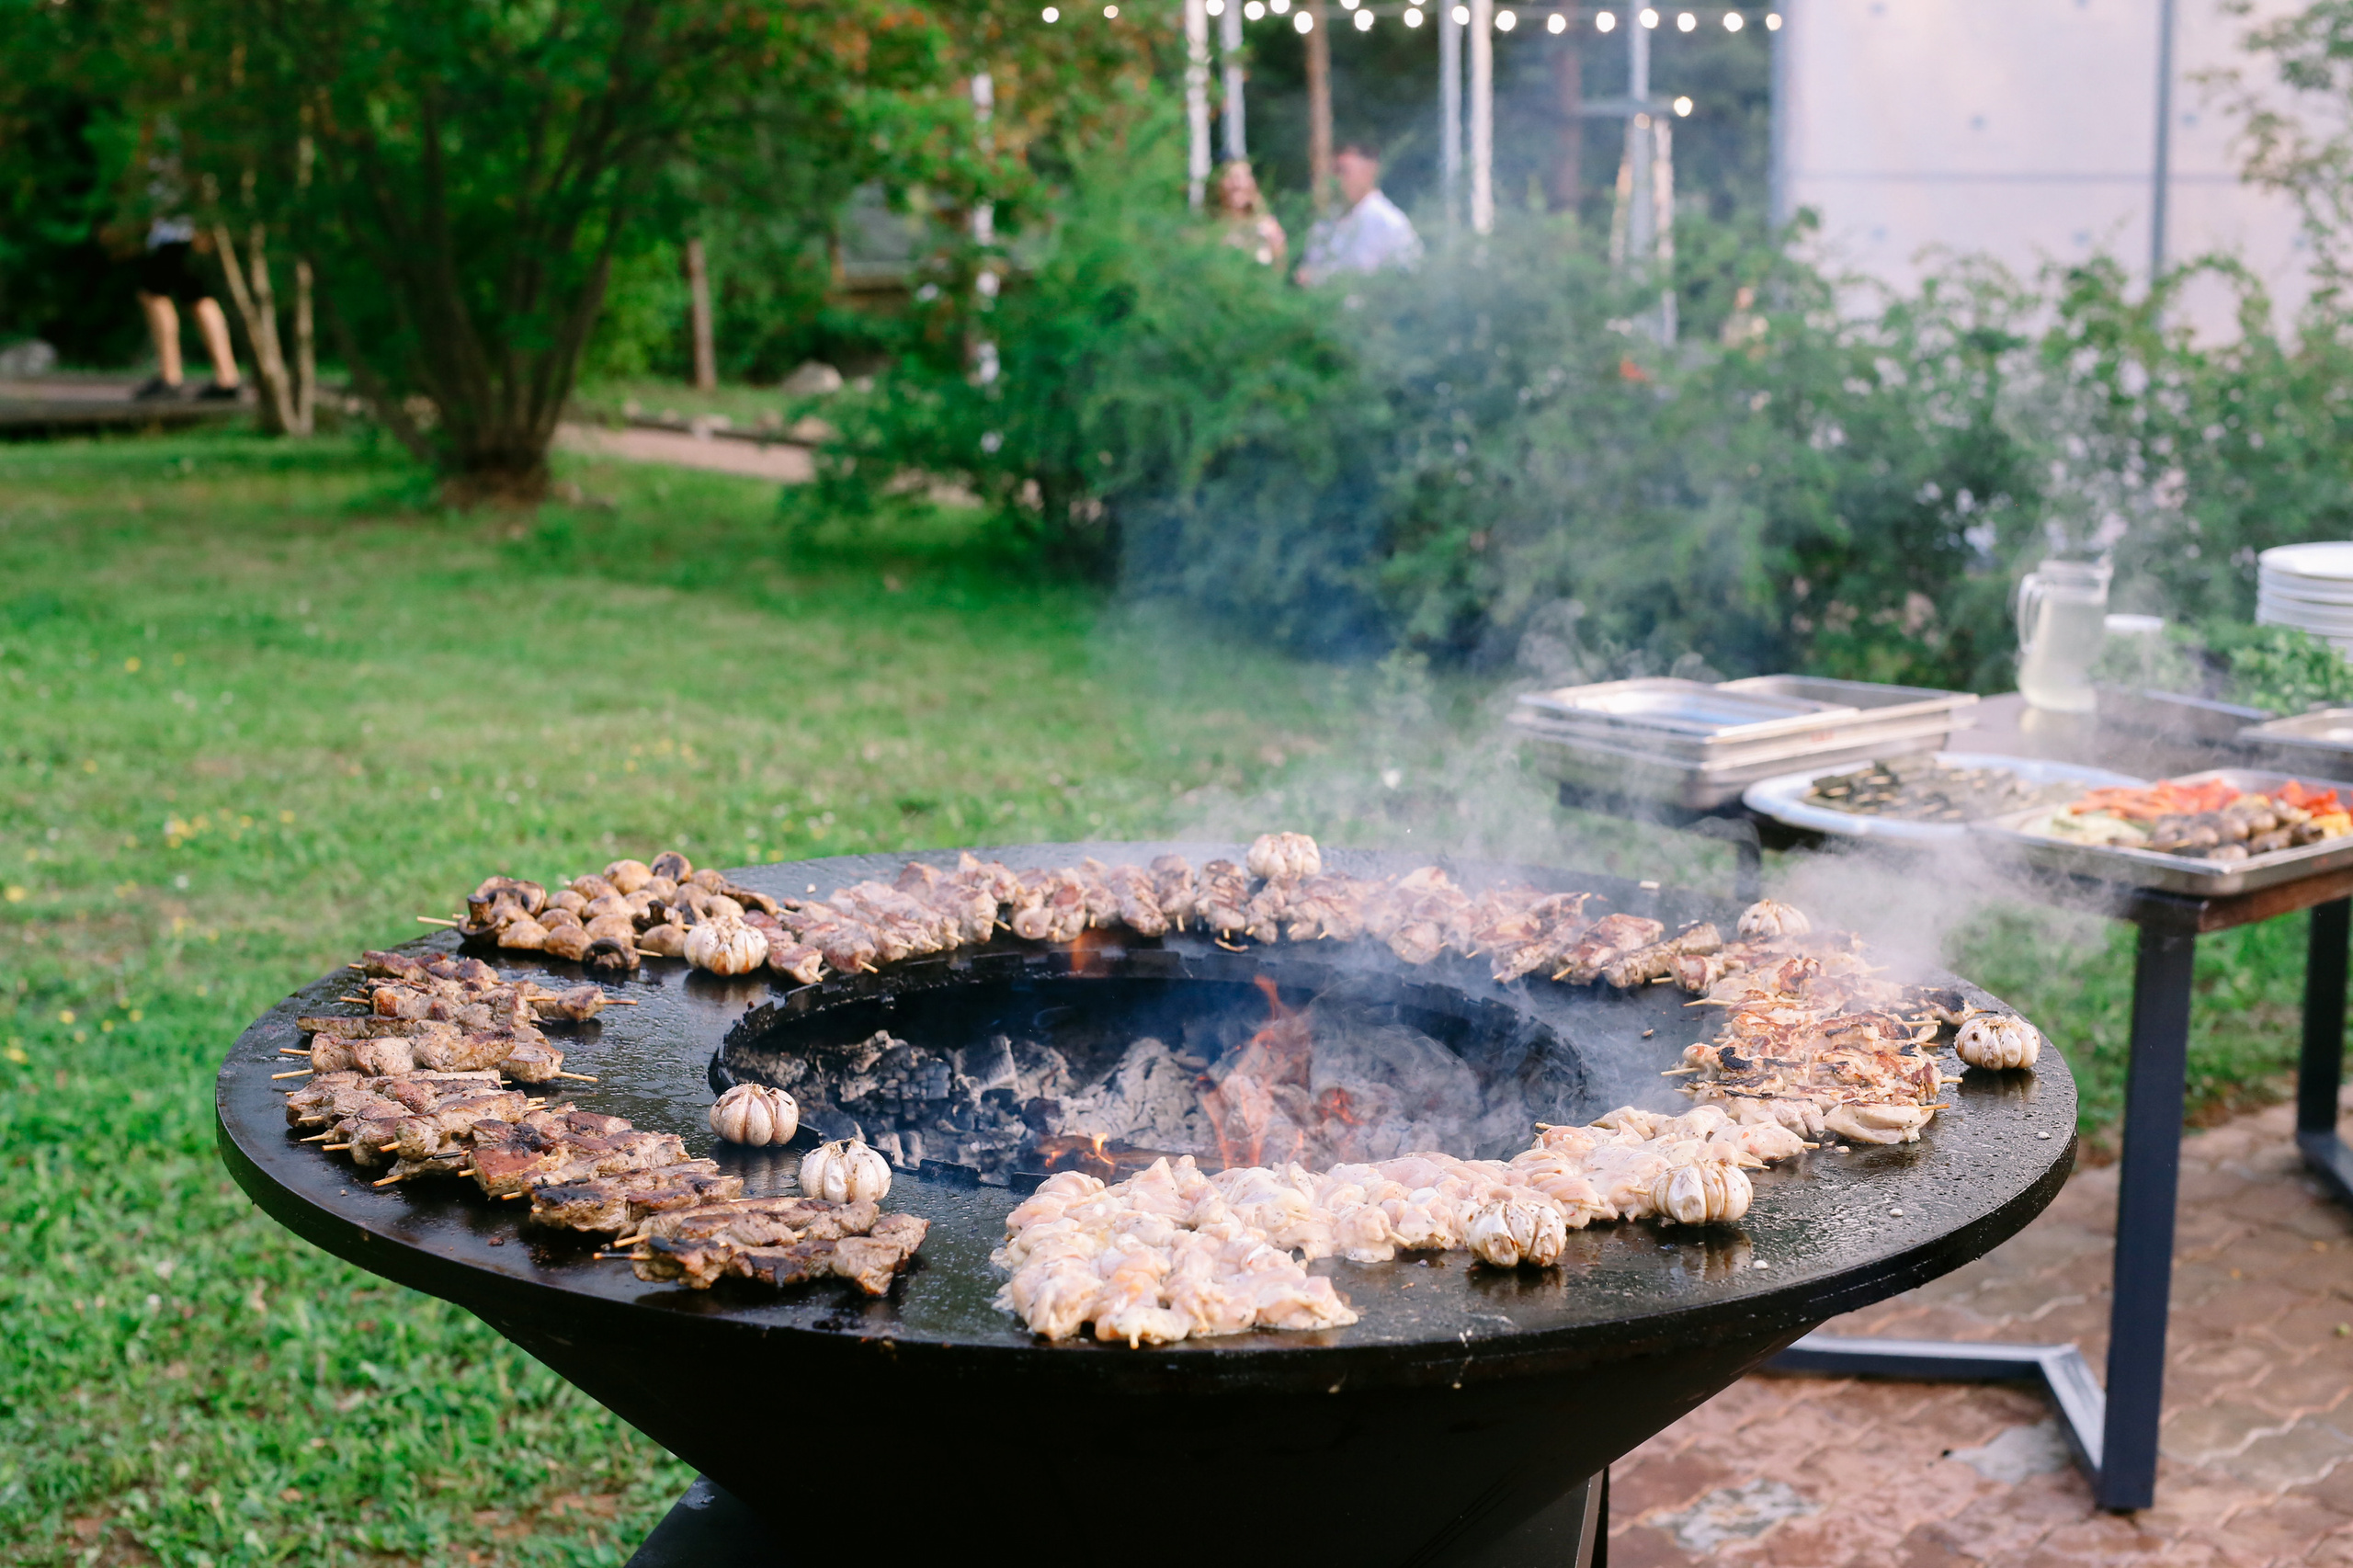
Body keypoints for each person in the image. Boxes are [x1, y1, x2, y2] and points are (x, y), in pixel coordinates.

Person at [133, 214, 242, 403]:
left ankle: (170, 377)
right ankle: (227, 377)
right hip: (190, 235)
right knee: (200, 299)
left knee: (155, 296)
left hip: (176, 236)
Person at [1294, 142, 1421, 287]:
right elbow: (1310, 266)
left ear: (1369, 172)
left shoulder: (1389, 222)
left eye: (1343, 171)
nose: (1336, 179)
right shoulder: (1325, 222)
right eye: (1334, 171)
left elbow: (1409, 275)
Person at [1215, 160, 1287, 269]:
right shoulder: (1213, 226)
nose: (1237, 183)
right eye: (1231, 178)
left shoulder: (1268, 227)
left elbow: (1279, 268)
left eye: (1241, 178)